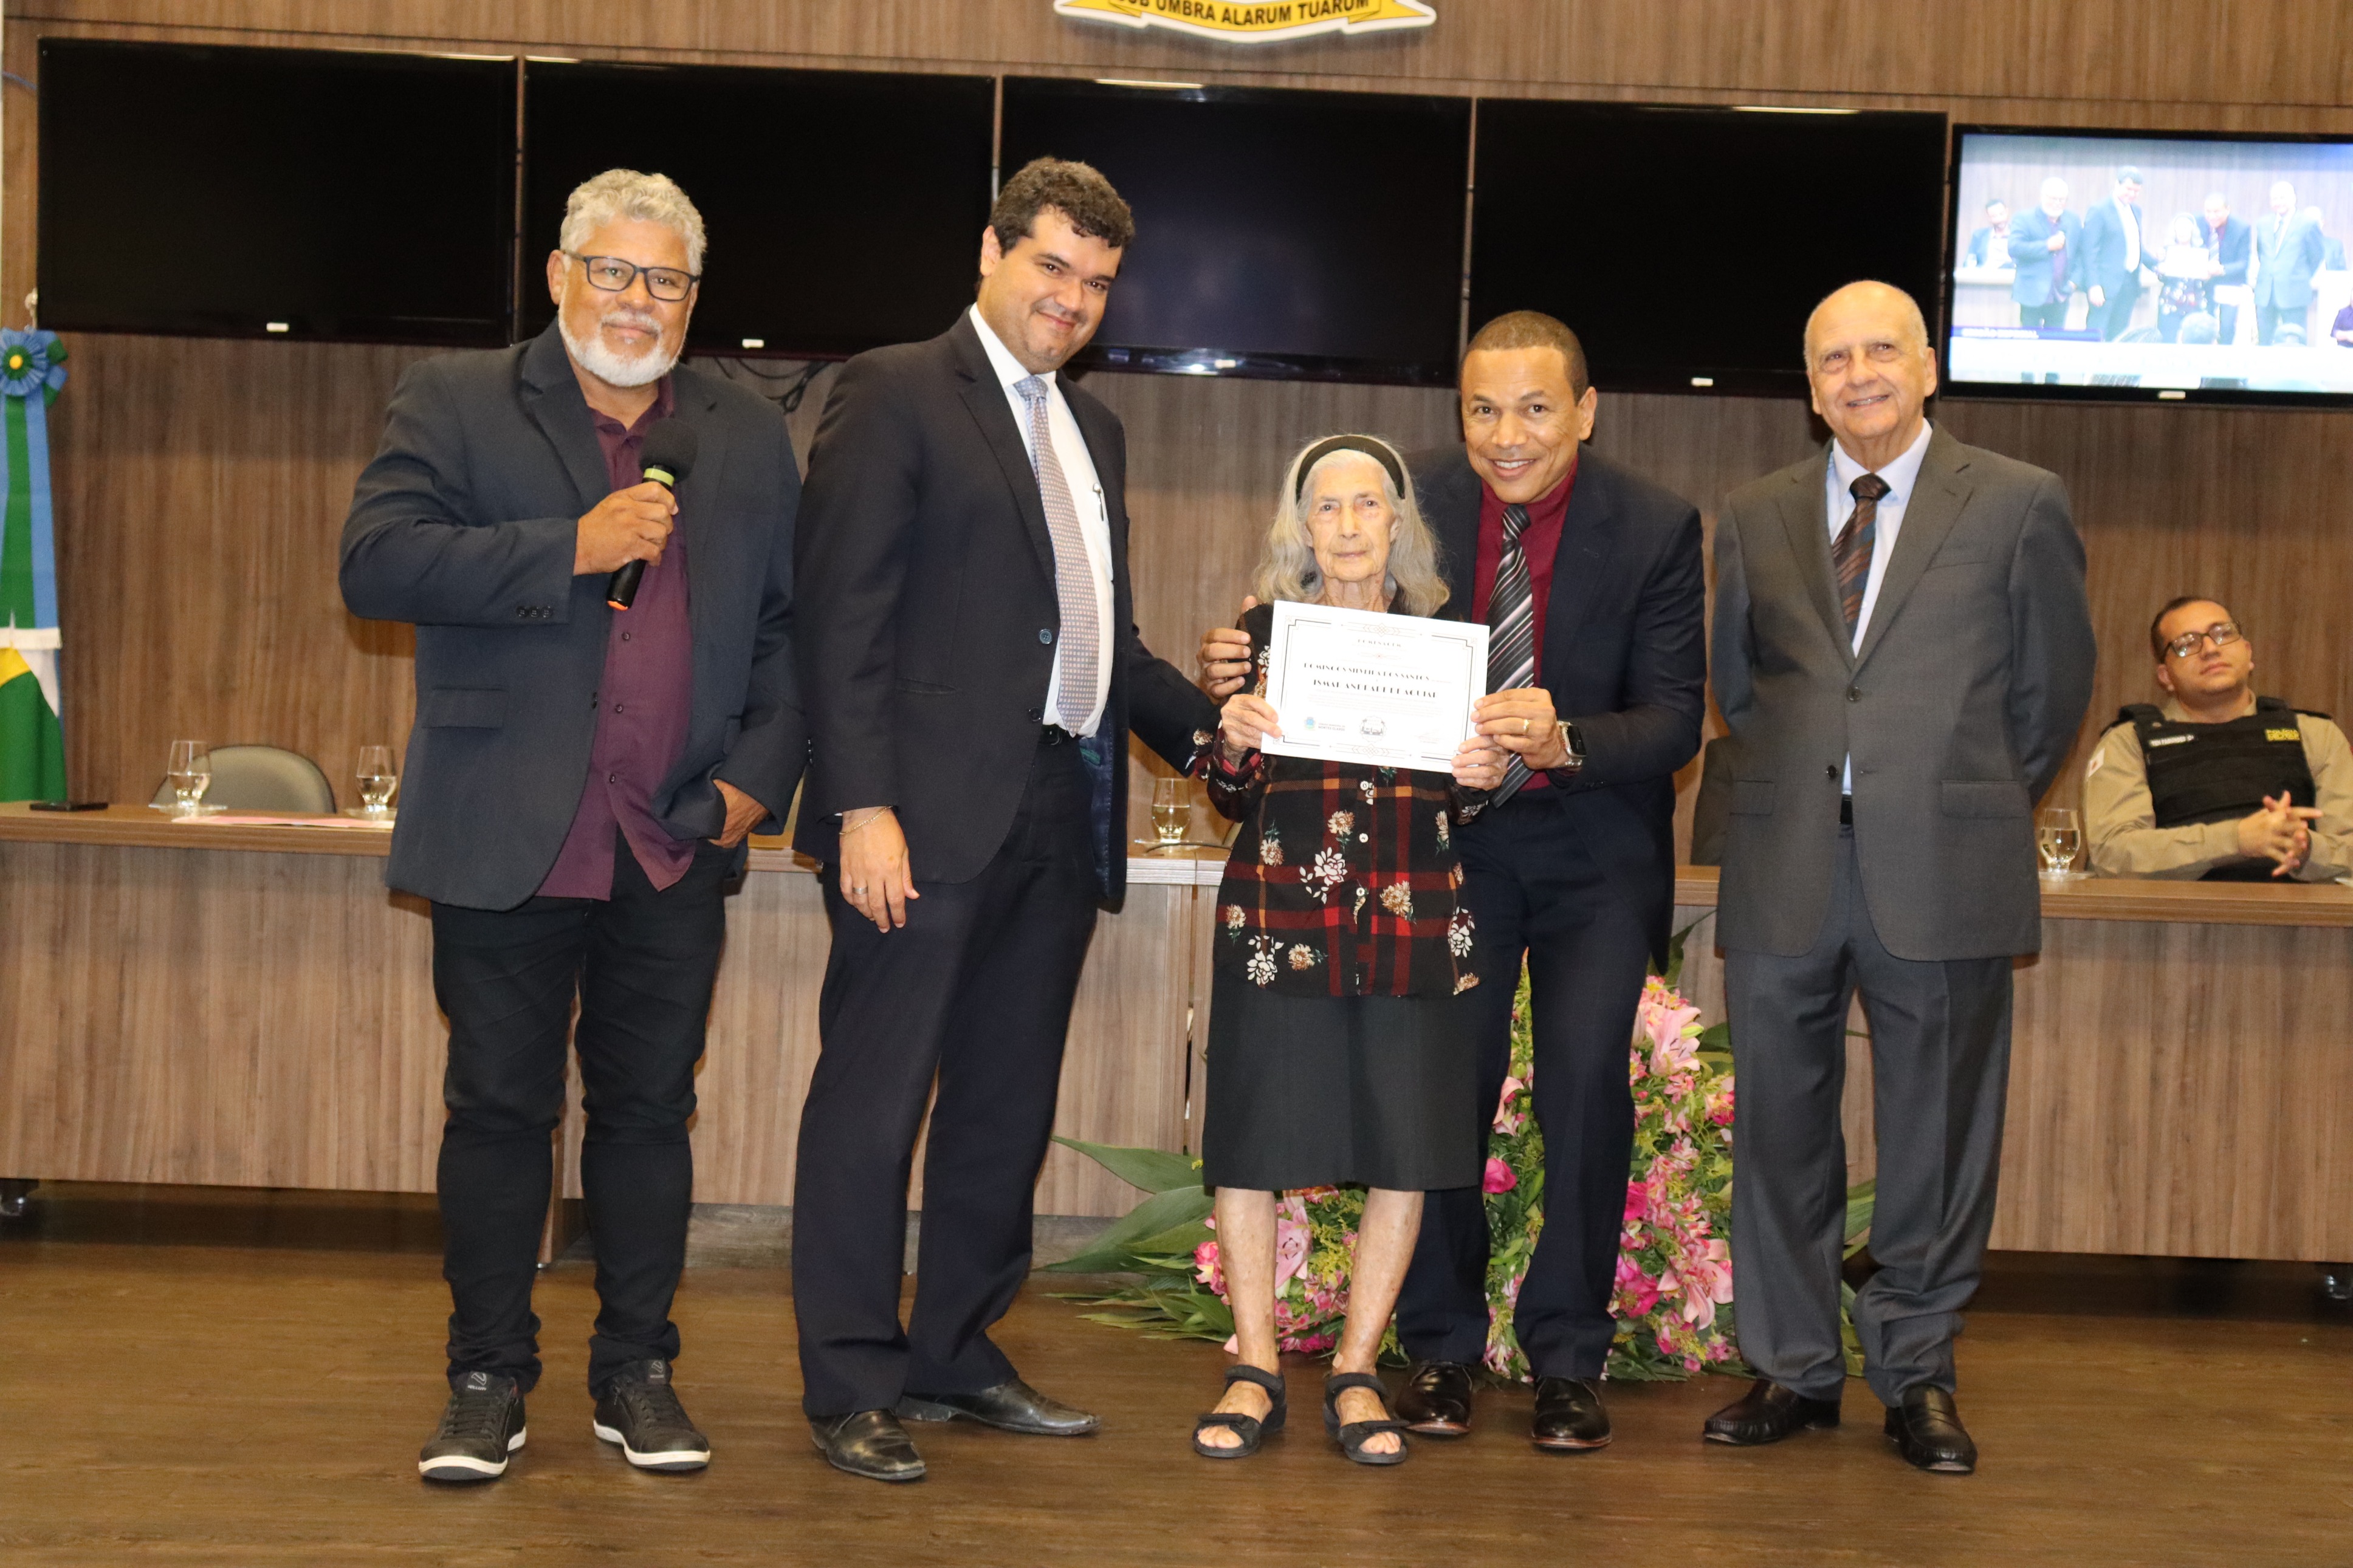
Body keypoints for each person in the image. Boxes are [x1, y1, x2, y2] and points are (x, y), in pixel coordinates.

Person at [340, 169, 803, 1483]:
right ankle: (485, 1379)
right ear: (559, 275)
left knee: (650, 1113)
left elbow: (788, 628)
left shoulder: (743, 429)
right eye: (613, 271)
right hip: (507, 825)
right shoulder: (457, 399)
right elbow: (375, 561)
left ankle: (637, 1371)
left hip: (674, 830)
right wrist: (571, 546)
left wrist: (753, 784)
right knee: (499, 1109)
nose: (636, 300)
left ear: (692, 299)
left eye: (665, 280)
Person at [1205, 310, 1707, 1453]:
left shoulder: (1655, 524)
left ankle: (1566, 1356)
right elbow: (1308, 634)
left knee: (1585, 1086)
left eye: (1534, 408)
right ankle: (1436, 1348)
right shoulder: (1407, 494)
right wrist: (1242, 668)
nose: (1506, 434)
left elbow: (1676, 717)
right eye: (1483, 409)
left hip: (1592, 851)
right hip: (1441, 853)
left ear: (1585, 410)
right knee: (1438, 1095)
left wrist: (1562, 739)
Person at [788, 157, 1219, 1484]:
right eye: (1051, 267)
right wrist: (861, 805)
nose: (1071, 299)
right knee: (873, 1107)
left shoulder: (1096, 432)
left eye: (1096, 282)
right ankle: (850, 1378)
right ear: (990, 250)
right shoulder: (893, 390)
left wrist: (1215, 734)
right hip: (917, 820)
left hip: (1058, 811)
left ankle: (956, 1353)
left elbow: (1105, 643)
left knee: (1002, 1107)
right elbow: (840, 616)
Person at [1704, 280, 2095, 1474]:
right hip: (1785, 861)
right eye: (1833, 358)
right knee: (1778, 1130)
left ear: (1928, 367)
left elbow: (2050, 692)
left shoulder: (2019, 501)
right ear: (1809, 386)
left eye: (1882, 350)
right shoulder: (1755, 512)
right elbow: (1741, 688)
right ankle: (1791, 1365)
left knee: (1937, 1134)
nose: (1858, 374)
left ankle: (1916, 1371)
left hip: (1943, 861)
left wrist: (1950, 796)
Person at [1189, 436, 1506, 1468]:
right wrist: (1232, 739)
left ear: (1397, 522)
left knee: (1405, 1150)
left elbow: (1468, 798)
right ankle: (1254, 1366)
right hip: (1280, 920)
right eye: (1325, 507)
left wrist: (1482, 769)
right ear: (1302, 529)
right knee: (1251, 1145)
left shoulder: (1448, 644)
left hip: (1414, 924)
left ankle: (1357, 1369)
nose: (1348, 524)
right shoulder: (1261, 638)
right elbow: (1226, 787)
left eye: (1367, 504)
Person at [2083, 597, 2353, 881]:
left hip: (2300, 909)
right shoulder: (2129, 742)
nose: (2211, 649)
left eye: (2223, 633)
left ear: (2248, 653)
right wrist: (2235, 840)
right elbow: (2113, 855)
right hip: (2175, 910)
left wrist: (2305, 848)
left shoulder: (2315, 734)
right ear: (2166, 676)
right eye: (2187, 644)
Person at [2080, 166, 2154, 341]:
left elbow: (2135, 246)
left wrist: (2157, 263)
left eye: (2136, 191)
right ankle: (2091, 362)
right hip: (2104, 286)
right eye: (2129, 189)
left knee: (2120, 336)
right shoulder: (2099, 210)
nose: (2132, 194)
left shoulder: (2136, 211)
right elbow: (2089, 252)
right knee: (2097, 334)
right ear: (2117, 184)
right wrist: (2093, 285)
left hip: (2129, 284)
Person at [2253, 181, 2327, 345]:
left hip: (2294, 292)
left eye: (2283, 198)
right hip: (2266, 293)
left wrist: (2299, 274)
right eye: (2275, 198)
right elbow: (2261, 253)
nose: (2279, 202)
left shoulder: (2307, 223)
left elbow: (2317, 255)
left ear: (2294, 198)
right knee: (2264, 342)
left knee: (2295, 341)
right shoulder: (2263, 224)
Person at [2008, 179, 2080, 330]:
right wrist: (2046, 246)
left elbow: (2080, 254)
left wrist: (2074, 282)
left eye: (2062, 200)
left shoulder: (2073, 220)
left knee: (2056, 339)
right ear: (2043, 196)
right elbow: (2014, 248)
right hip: (2031, 294)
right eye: (2054, 199)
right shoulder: (2025, 218)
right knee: (2029, 338)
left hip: (2060, 294)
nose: (2058, 203)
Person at [2199, 192, 2250, 345]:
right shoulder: (2197, 223)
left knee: (2227, 326)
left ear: (2227, 210)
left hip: (2229, 283)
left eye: (2217, 212)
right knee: (2204, 326)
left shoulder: (2241, 228)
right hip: (2204, 283)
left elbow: (2243, 263)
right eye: (2208, 212)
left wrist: (2222, 269)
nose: (2212, 216)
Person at [2155, 213, 2216, 343]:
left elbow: (2208, 279)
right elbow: (2161, 277)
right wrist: (2160, 269)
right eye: (2179, 229)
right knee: (2168, 340)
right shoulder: (2166, 251)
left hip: (2195, 303)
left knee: (2196, 341)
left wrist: (2208, 275)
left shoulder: (2202, 251)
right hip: (2171, 303)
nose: (2182, 232)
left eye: (2186, 229)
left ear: (2192, 231)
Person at [1963, 199, 2012, 269]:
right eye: (1994, 216)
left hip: (2011, 273)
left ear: (2007, 212)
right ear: (1989, 218)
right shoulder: (1979, 236)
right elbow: (1969, 260)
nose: (2000, 219)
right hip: (1985, 273)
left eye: (2001, 214)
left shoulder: (2019, 235)